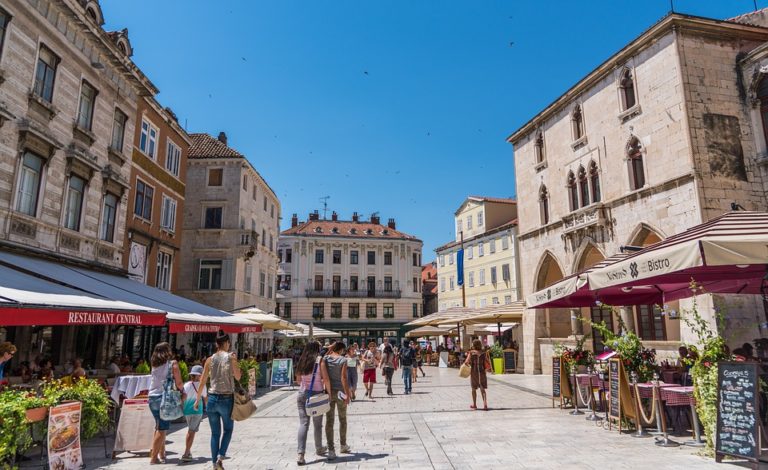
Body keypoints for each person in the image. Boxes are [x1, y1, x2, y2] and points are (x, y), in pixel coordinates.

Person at [194, 333, 241, 470]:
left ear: (216, 345)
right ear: (226, 343)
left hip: (212, 399)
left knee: (215, 433)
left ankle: (214, 464)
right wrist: (235, 363)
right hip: (226, 398)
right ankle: (221, 456)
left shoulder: (209, 360)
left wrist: (197, 400)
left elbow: (203, 381)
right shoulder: (231, 358)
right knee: (228, 429)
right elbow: (238, 377)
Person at [295, 341, 330, 465]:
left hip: (302, 394)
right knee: (317, 424)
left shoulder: (302, 360)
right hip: (317, 394)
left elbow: (298, 380)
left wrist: (307, 382)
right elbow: (325, 378)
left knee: (303, 424)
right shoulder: (320, 360)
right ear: (317, 349)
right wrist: (329, 393)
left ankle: (300, 454)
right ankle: (319, 448)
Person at [148, 342, 183, 465]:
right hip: (164, 398)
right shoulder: (173, 364)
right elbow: (178, 383)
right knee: (162, 428)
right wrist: (183, 392)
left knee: (159, 426)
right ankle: (153, 458)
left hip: (152, 397)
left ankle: (162, 454)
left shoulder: (154, 364)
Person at [320, 342, 351, 460]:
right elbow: (344, 378)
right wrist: (347, 394)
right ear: (341, 349)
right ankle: (343, 445)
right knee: (343, 419)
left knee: (329, 420)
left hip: (328, 392)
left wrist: (329, 348)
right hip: (340, 393)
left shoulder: (326, 358)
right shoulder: (343, 360)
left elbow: (323, 352)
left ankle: (331, 449)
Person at [181, 365, 207, 462]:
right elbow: (205, 398)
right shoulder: (202, 385)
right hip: (197, 411)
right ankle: (186, 453)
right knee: (191, 431)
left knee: (191, 430)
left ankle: (189, 451)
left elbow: (183, 398)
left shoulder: (187, 385)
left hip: (187, 410)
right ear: (200, 375)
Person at [464, 339, 490, 410]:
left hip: (474, 372)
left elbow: (466, 362)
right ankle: (485, 405)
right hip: (482, 372)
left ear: (473, 345)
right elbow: (488, 363)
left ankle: (474, 404)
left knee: (473, 389)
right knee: (482, 389)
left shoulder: (471, 353)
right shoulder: (483, 353)